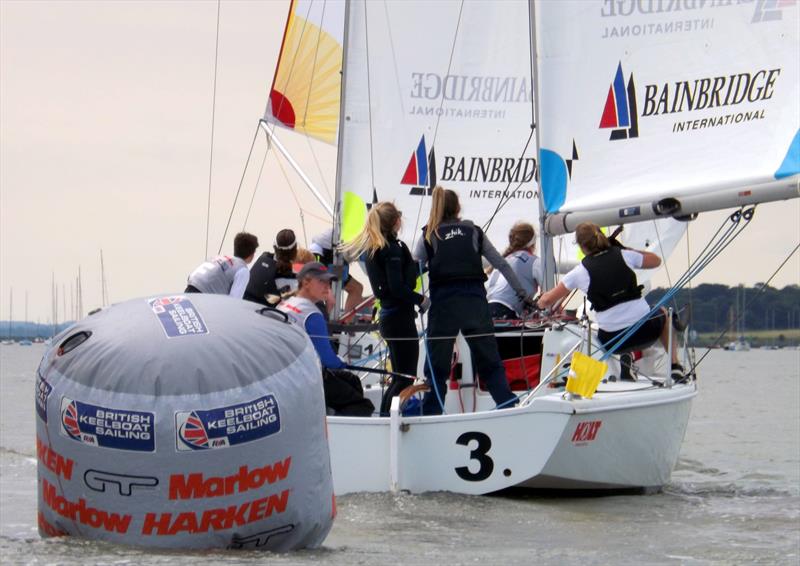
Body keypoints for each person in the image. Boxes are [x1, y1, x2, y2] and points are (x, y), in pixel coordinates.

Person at [413, 186, 528, 415]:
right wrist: (523, 295)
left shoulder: (429, 234)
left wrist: (411, 298)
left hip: (444, 305)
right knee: (489, 362)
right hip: (474, 301)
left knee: (437, 368)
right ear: (458, 208)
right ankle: (508, 407)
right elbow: (502, 264)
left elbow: (411, 270)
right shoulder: (474, 232)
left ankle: (431, 414)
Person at [537, 222, 685, 381]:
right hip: (645, 333)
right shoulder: (624, 255)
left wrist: (538, 301)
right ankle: (675, 366)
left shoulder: (579, 272)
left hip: (612, 341)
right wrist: (626, 249)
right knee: (662, 312)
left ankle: (626, 358)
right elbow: (656, 261)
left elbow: (546, 301)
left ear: (580, 247)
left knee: (594, 326)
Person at [341, 202, 429, 415]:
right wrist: (421, 300)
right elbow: (397, 287)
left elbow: (396, 281)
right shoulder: (391, 249)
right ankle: (387, 420)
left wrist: (421, 267)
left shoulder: (375, 248)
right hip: (399, 320)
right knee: (405, 377)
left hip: (390, 319)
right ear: (396, 221)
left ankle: (383, 418)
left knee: (399, 377)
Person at [277, 262, 374, 416]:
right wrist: (342, 363)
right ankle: (333, 434)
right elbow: (328, 360)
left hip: (286, 375)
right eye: (321, 281)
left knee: (352, 381)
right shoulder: (312, 314)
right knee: (363, 406)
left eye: (328, 282)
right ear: (306, 282)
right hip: (306, 379)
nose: (327, 286)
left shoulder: (285, 304)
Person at [486, 221, 542, 320]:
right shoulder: (535, 262)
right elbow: (548, 294)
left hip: (486, 310)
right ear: (533, 243)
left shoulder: (501, 261)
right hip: (506, 311)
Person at [185, 232, 258, 298]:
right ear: (251, 254)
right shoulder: (243, 270)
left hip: (190, 287)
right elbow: (234, 301)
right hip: (203, 296)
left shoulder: (220, 257)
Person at [309, 227, 365, 314]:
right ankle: (330, 321)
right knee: (333, 296)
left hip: (330, 253)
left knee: (356, 289)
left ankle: (342, 321)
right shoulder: (365, 239)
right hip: (326, 253)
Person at [243, 228, 298, 306]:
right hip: (264, 314)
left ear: (274, 246)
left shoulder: (259, 258)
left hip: (241, 304)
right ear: (295, 250)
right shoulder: (293, 280)